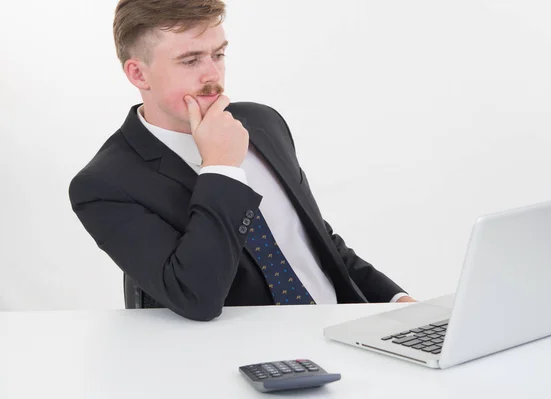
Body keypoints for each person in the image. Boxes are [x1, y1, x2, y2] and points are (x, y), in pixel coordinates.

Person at [69, 0, 415, 321]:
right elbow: (196, 296)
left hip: (340, 330)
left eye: (217, 55)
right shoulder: (104, 186)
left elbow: (313, 242)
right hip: (237, 365)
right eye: (190, 60)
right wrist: (221, 168)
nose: (212, 76)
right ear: (138, 74)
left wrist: (399, 302)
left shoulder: (263, 124)